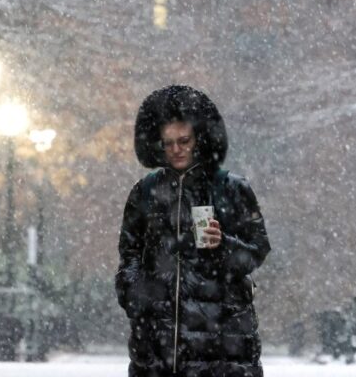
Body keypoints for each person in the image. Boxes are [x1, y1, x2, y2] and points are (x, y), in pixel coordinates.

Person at [116, 85, 272, 377]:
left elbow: (256, 253)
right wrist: (135, 296)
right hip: (158, 343)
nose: (176, 149)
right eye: (168, 142)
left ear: (199, 138)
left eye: (184, 140)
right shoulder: (145, 192)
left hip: (223, 343)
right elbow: (129, 253)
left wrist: (223, 244)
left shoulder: (232, 189)